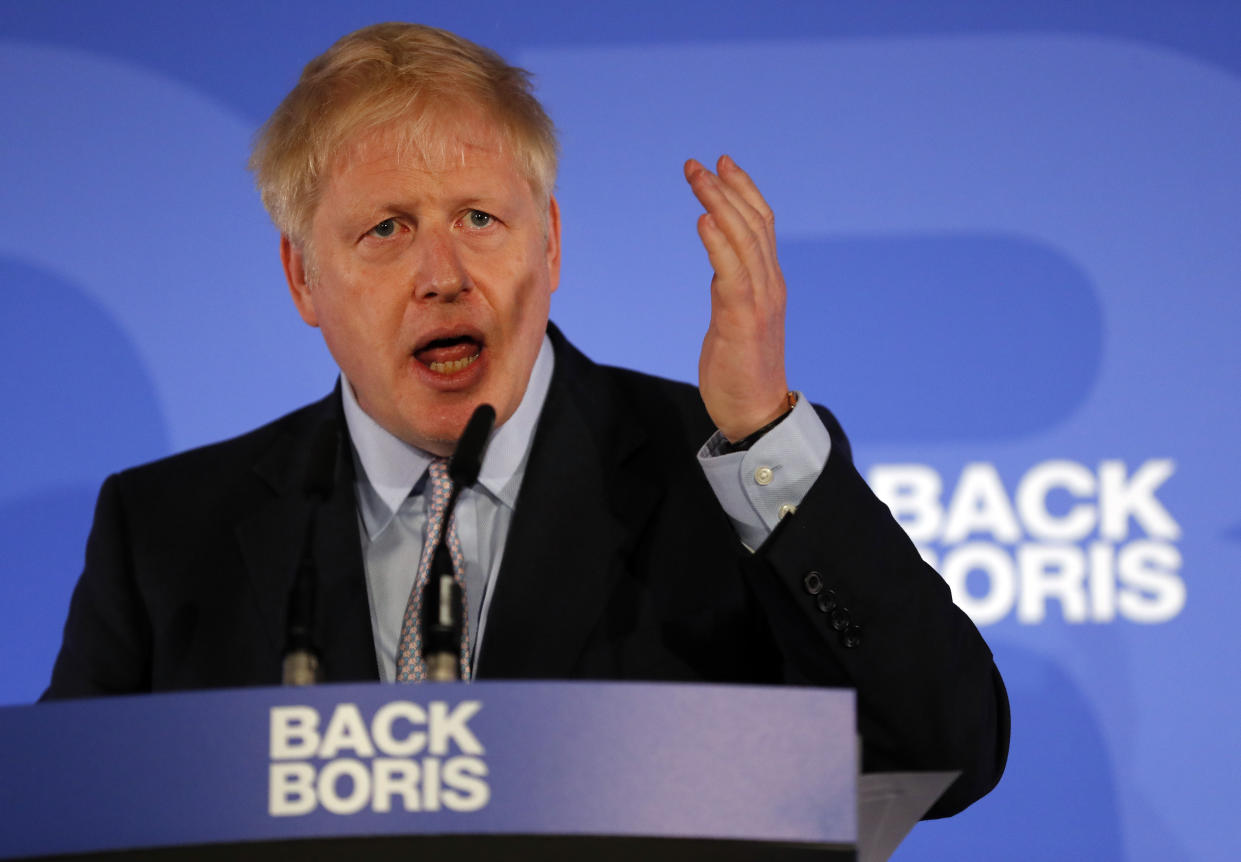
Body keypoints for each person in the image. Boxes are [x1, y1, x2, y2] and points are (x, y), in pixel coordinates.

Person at [43, 22, 1008, 816]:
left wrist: (761, 434)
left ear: (549, 243)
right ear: (302, 276)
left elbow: (942, 753)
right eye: (386, 229)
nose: (441, 275)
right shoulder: (168, 531)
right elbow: (65, 819)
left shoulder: (723, 480)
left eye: (479, 218)